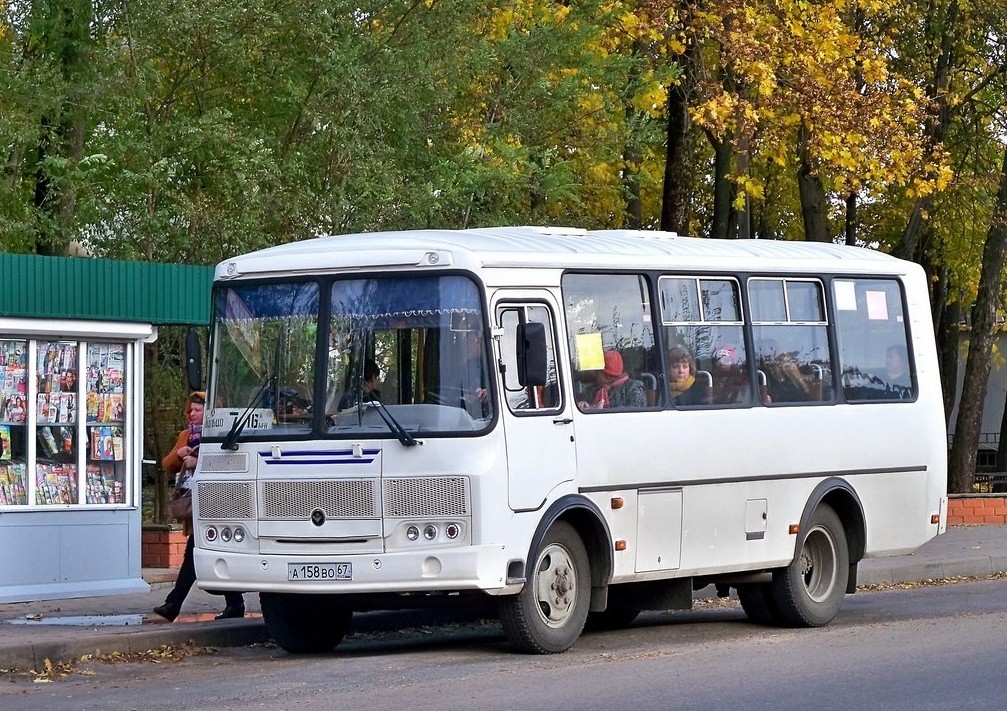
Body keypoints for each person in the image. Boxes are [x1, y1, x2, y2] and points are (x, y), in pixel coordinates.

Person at [154, 392, 245, 622]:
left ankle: (173, 605)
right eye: (190, 410)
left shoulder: (222, 434)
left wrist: (199, 462)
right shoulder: (187, 435)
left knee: (194, 555)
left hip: (217, 503)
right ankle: (234, 604)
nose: (192, 414)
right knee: (200, 554)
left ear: (210, 413)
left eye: (197, 410)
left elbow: (231, 465)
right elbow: (168, 465)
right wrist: (179, 454)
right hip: (195, 502)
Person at [578, 350, 646, 410]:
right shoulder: (592, 389)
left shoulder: (633, 388)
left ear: (608, 376)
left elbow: (637, 412)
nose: (594, 374)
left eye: (597, 371)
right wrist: (582, 404)